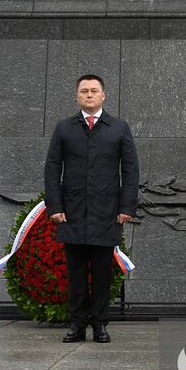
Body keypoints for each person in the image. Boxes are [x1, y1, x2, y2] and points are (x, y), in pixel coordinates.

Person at [44, 74, 139, 344]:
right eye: (84, 91)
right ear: (77, 96)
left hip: (106, 212)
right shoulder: (64, 128)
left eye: (94, 91)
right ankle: (76, 324)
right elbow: (52, 169)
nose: (89, 95)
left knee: (101, 273)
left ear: (103, 95)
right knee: (75, 273)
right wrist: (55, 205)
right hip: (71, 212)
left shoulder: (119, 128)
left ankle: (99, 324)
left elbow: (130, 169)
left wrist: (126, 206)